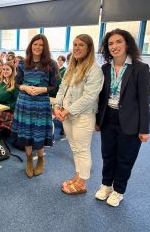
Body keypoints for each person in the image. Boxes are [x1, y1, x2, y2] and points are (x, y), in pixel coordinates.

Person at [95, 29, 150, 207]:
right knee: (107, 154)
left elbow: (144, 101)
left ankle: (118, 191)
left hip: (130, 120)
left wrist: (144, 129)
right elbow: (101, 98)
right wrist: (98, 120)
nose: (114, 46)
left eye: (118, 42)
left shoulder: (140, 68)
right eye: (110, 43)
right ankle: (106, 185)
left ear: (127, 44)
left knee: (125, 158)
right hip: (108, 118)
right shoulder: (105, 68)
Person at [54, 34, 104, 194]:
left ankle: (82, 184)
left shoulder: (95, 69)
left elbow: (89, 97)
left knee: (82, 150)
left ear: (89, 48)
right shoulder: (72, 67)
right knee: (75, 148)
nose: (76, 48)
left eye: (81, 45)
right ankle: (77, 177)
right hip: (67, 115)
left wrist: (67, 110)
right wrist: (57, 105)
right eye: (74, 45)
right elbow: (62, 88)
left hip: (83, 116)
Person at [11, 34, 58, 178]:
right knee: (26, 134)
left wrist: (43, 89)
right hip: (24, 103)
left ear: (45, 48)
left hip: (41, 103)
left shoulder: (51, 64)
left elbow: (55, 87)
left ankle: (41, 159)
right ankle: (29, 160)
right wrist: (24, 87)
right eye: (35, 44)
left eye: (41, 45)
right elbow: (17, 84)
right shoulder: (22, 63)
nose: (37, 47)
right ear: (31, 46)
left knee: (39, 133)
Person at [0, 62, 18, 136]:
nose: (5, 71)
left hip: (8, 111)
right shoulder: (0, 83)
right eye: (3, 69)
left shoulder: (16, 85)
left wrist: (2, 108)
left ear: (12, 71)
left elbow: (16, 102)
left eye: (7, 69)